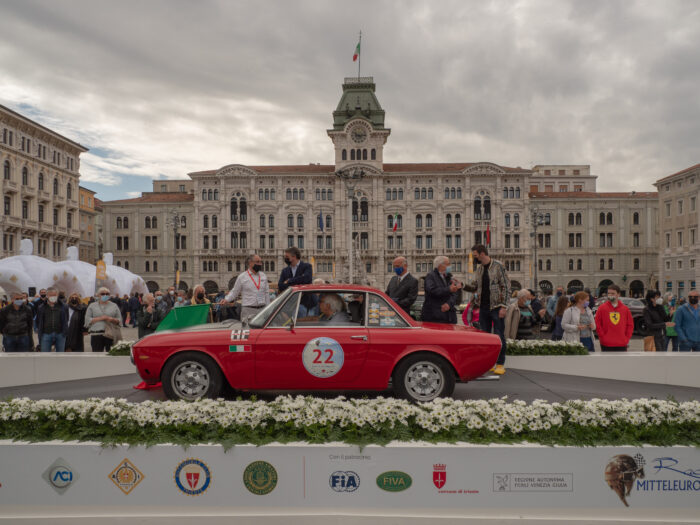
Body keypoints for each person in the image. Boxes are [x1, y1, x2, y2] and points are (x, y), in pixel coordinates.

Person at [462, 244, 510, 375]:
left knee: (499, 335)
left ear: (482, 253)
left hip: (496, 307)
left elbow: (506, 286)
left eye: (475, 255)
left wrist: (504, 306)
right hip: (483, 307)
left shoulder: (498, 266)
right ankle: (490, 363)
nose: (474, 257)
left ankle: (500, 363)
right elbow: (474, 287)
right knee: (486, 337)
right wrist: (462, 285)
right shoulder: (479, 269)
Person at [222, 254, 270, 321]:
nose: (260, 264)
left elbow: (266, 293)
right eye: (257, 262)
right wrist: (226, 299)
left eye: (260, 262)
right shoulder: (242, 277)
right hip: (248, 310)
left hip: (262, 310)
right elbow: (235, 291)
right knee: (248, 330)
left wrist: (268, 308)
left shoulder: (263, 276)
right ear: (250, 263)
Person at [422, 255, 461, 325]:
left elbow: (454, 293)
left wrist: (449, 304)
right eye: (448, 264)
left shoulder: (450, 276)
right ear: (440, 265)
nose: (450, 266)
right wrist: (448, 289)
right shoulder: (430, 276)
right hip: (435, 317)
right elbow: (432, 291)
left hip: (449, 316)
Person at [594, 284, 633, 352]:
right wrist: (603, 337)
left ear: (618, 294)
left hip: (622, 343)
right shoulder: (601, 308)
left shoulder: (625, 309)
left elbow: (630, 325)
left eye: (613, 293)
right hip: (606, 343)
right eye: (608, 293)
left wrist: (626, 338)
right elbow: (597, 324)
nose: (610, 295)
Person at [278, 246, 314, 315]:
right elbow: (280, 285)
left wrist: (289, 281)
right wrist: (300, 280)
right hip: (290, 306)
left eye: (287, 256)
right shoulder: (285, 271)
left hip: (305, 304)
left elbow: (307, 279)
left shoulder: (307, 266)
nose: (285, 258)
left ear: (294, 256)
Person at [84, 287, 122, 352]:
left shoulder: (114, 306)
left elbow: (120, 320)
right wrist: (100, 318)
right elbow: (87, 320)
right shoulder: (92, 306)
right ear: (98, 295)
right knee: (97, 357)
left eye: (107, 294)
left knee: (111, 355)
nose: (105, 295)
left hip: (111, 334)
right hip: (96, 334)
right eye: (103, 294)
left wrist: (111, 319)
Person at [36, 288, 68, 352]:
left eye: (55, 295)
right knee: (45, 355)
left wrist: (64, 331)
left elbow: (66, 318)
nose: (53, 297)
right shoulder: (41, 307)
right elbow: (38, 320)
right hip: (46, 334)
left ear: (57, 295)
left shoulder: (64, 306)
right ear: (47, 296)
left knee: (60, 355)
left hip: (60, 334)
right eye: (51, 295)